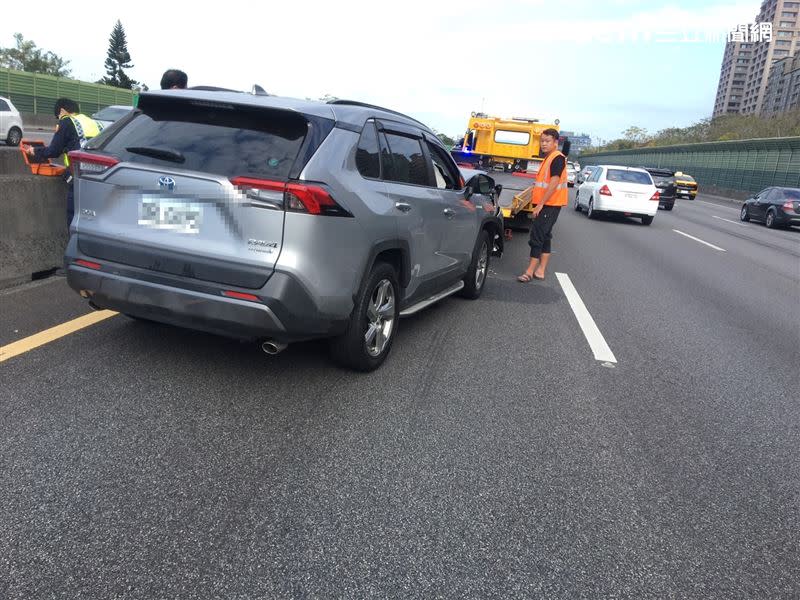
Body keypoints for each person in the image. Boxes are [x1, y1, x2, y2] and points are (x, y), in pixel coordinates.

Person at [24, 98, 103, 227]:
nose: (59, 120)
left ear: (62, 111)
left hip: (80, 178)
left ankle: (74, 244)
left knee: (74, 218)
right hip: (100, 178)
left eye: (58, 117)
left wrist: (35, 151)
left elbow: (54, 151)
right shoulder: (94, 123)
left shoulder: (67, 121)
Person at [517, 128, 568, 282]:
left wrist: (540, 204)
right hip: (551, 204)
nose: (543, 144)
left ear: (555, 142)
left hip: (549, 205)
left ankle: (529, 271)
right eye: (542, 141)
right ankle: (540, 271)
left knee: (537, 236)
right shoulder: (550, 157)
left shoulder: (557, 158)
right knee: (545, 236)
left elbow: (554, 182)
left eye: (547, 141)